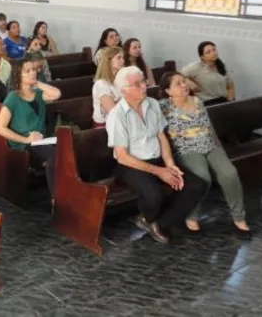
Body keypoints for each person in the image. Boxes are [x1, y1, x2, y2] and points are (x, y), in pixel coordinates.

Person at [107, 66, 207, 244]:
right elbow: (122, 156)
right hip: (131, 164)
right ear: (124, 90)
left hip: (157, 158)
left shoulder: (152, 104)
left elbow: (161, 137)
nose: (144, 86)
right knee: (153, 195)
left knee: (195, 185)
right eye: (137, 84)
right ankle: (149, 217)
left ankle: (158, 223)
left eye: (143, 81)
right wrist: (160, 172)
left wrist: (169, 165)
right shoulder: (117, 115)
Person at [159, 72, 250, 236]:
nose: (184, 85)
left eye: (184, 81)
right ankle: (192, 214)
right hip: (187, 150)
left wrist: (219, 148)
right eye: (178, 84)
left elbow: (210, 129)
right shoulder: (163, 107)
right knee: (202, 177)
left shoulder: (197, 101)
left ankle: (238, 216)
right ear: (168, 91)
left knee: (230, 174)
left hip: (210, 146)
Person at [0, 58, 61, 197]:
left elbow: (57, 94)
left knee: (67, 148)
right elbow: (0, 128)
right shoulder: (13, 98)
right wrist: (25, 139)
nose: (33, 73)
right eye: (27, 71)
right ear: (18, 75)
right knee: (54, 154)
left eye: (33, 70)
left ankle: (68, 192)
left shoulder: (38, 94)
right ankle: (57, 198)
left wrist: (37, 83)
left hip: (41, 139)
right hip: (23, 143)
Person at [182, 41, 235, 105]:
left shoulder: (221, 65)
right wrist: (187, 81)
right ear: (202, 57)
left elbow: (230, 85)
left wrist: (230, 101)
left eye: (214, 50)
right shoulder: (196, 67)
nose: (213, 53)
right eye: (208, 52)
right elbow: (176, 74)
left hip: (224, 100)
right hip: (208, 102)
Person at [92, 46, 124, 127]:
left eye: (123, 58)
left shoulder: (119, 79)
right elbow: (113, 111)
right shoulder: (101, 84)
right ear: (108, 61)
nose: (123, 61)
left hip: (120, 121)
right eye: (119, 58)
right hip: (105, 125)